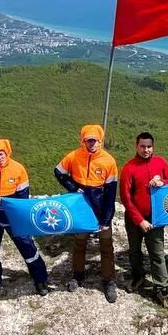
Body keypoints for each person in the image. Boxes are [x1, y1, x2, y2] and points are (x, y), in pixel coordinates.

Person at [0, 138, 49, 298]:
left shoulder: (18, 169)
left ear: (7, 152)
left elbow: (23, 195)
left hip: (13, 214)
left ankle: (40, 280)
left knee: (26, 245)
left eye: (1, 154)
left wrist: (21, 215)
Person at [53, 123, 120, 301]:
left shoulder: (108, 161)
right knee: (79, 242)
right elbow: (58, 172)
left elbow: (111, 192)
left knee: (106, 245)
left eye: (95, 141)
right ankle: (77, 275)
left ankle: (109, 280)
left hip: (100, 206)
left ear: (100, 140)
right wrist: (73, 187)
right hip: (81, 207)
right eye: (88, 141)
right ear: (83, 141)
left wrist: (106, 219)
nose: (92, 144)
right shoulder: (74, 156)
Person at [119, 131, 168, 309]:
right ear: (136, 146)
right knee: (135, 251)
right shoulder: (129, 168)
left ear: (153, 147)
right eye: (142, 146)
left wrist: (162, 181)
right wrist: (139, 221)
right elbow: (126, 199)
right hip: (134, 219)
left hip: (156, 218)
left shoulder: (160, 162)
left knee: (157, 254)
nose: (146, 150)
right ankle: (138, 277)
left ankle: (162, 289)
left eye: (149, 147)